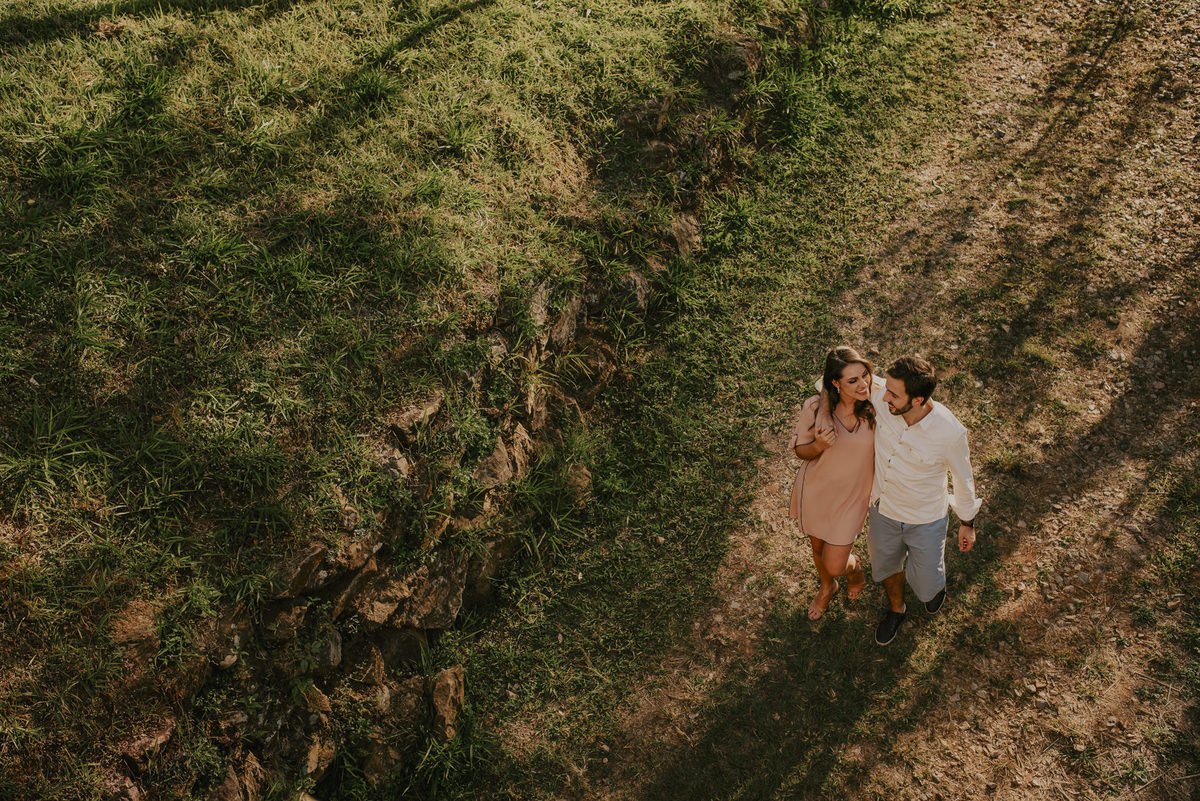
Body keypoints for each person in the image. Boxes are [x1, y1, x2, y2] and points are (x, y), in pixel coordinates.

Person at [863, 355, 982, 646]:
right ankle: (896, 609)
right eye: (886, 388)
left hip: (925, 518)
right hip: (883, 510)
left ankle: (932, 591)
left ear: (917, 400)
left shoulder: (950, 433)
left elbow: (963, 480)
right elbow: (841, 379)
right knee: (887, 568)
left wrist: (967, 523)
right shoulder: (882, 397)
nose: (883, 396)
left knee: (927, 583)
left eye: (893, 394)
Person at [789, 346, 875, 620]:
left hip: (852, 498)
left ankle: (855, 569)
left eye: (865, 375)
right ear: (835, 383)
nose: (863, 384)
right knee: (817, 548)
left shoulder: (878, 407)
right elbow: (800, 450)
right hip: (816, 490)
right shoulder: (814, 407)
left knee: (835, 563)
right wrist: (818, 445)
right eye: (853, 380)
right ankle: (828, 587)